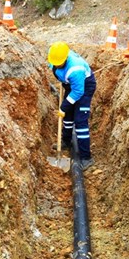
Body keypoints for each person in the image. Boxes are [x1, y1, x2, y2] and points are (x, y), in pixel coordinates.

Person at [47, 41, 97, 169]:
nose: (57, 66)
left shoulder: (75, 69)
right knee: (68, 116)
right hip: (70, 85)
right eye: (55, 64)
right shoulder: (54, 58)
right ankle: (66, 141)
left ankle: (86, 157)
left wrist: (63, 107)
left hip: (84, 87)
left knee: (80, 121)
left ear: (66, 58)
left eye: (60, 64)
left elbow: (78, 91)